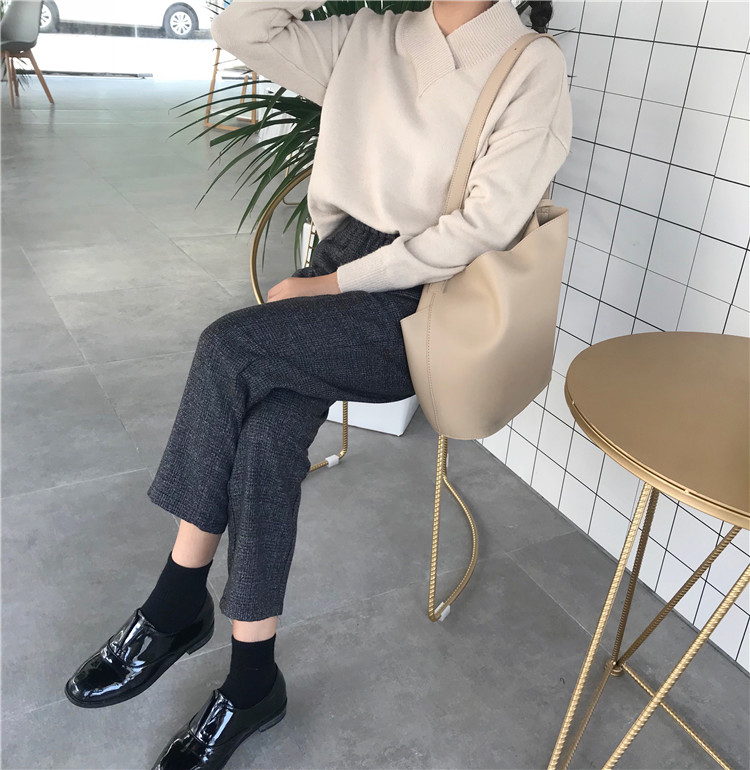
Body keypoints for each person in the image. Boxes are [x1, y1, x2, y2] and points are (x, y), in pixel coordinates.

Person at [64, 1, 570, 768]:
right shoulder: (369, 35)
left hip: (421, 303)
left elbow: (481, 229)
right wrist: (329, 277)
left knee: (227, 348)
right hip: (335, 267)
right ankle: (251, 683)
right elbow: (239, 28)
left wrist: (334, 286)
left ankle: (174, 602)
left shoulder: (529, 64)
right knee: (266, 437)